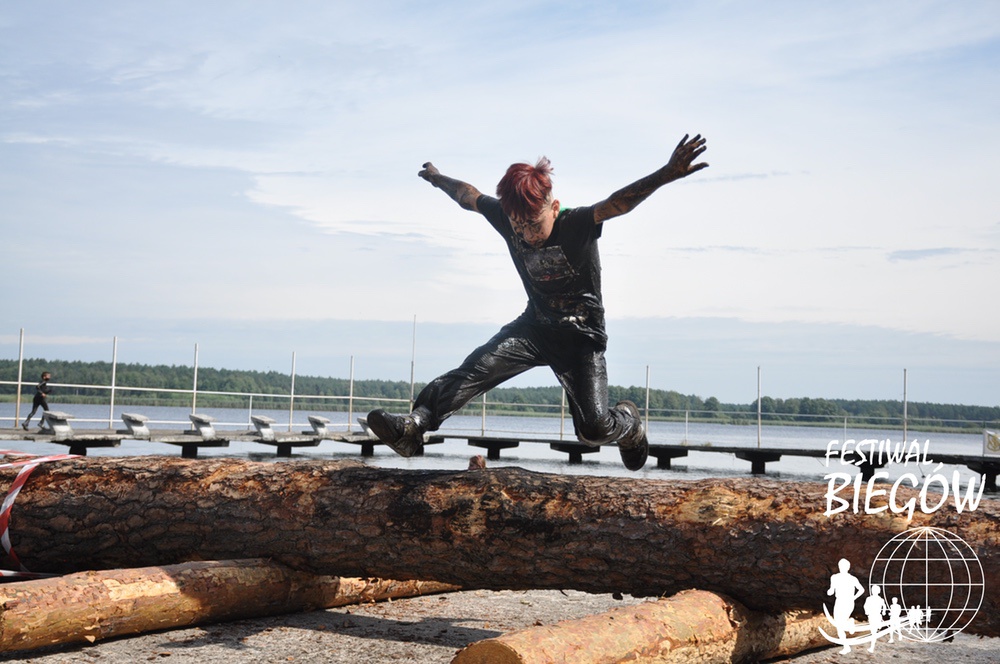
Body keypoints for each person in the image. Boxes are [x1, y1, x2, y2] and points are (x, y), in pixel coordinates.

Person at [366, 135, 708, 471]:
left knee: (592, 430)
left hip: (581, 339)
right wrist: (438, 178)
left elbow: (619, 203)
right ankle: (414, 426)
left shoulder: (576, 224)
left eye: (534, 225)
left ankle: (629, 425)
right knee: (477, 367)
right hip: (535, 328)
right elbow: (467, 196)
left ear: (554, 208)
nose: (527, 235)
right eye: (519, 227)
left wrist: (667, 173)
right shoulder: (506, 217)